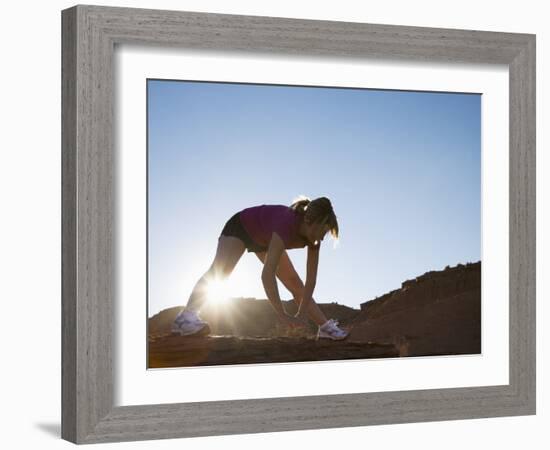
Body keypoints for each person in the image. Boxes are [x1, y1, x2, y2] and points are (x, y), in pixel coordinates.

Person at [171, 195, 348, 340]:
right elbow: (267, 275)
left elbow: (310, 281)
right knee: (220, 272)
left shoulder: (314, 239)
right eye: (321, 232)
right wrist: (282, 314)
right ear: (309, 221)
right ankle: (185, 318)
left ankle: (325, 328)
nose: (322, 238)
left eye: (326, 233)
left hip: (265, 239)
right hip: (241, 227)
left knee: (294, 282)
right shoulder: (286, 224)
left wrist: (302, 313)